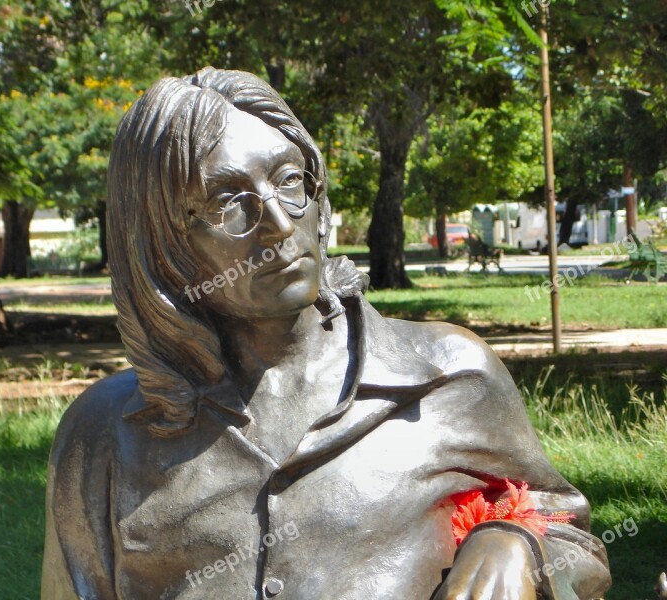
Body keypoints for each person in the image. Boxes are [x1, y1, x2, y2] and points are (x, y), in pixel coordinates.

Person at [41, 67, 611, 600]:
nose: (280, 225)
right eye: (227, 202)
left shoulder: (446, 375)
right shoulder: (104, 435)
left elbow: (567, 526)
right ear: (161, 241)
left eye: (291, 180)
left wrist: (517, 545)